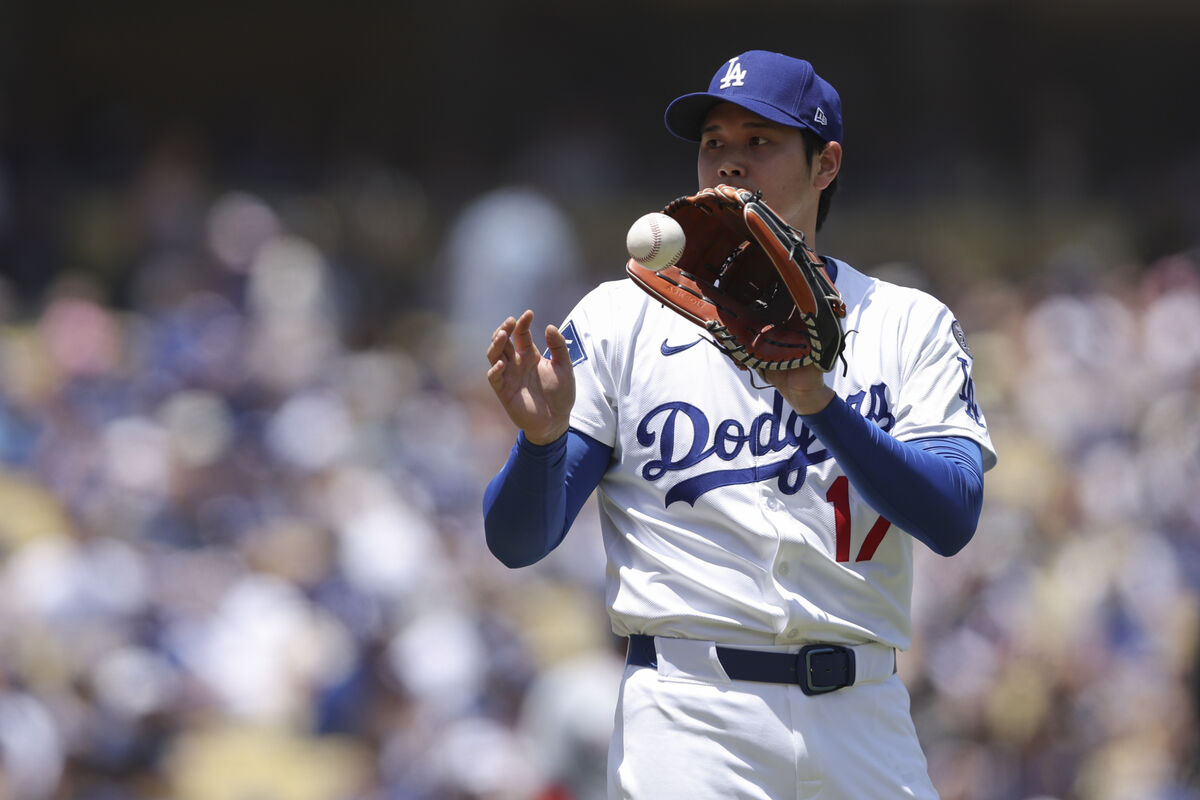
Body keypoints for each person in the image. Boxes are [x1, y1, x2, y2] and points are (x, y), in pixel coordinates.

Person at [482, 49, 997, 799]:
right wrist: (540, 443)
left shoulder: (905, 322)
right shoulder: (621, 319)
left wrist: (822, 406)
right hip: (690, 717)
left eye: (761, 141)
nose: (730, 162)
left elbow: (952, 516)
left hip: (862, 710)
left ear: (825, 166)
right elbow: (517, 542)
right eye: (714, 142)